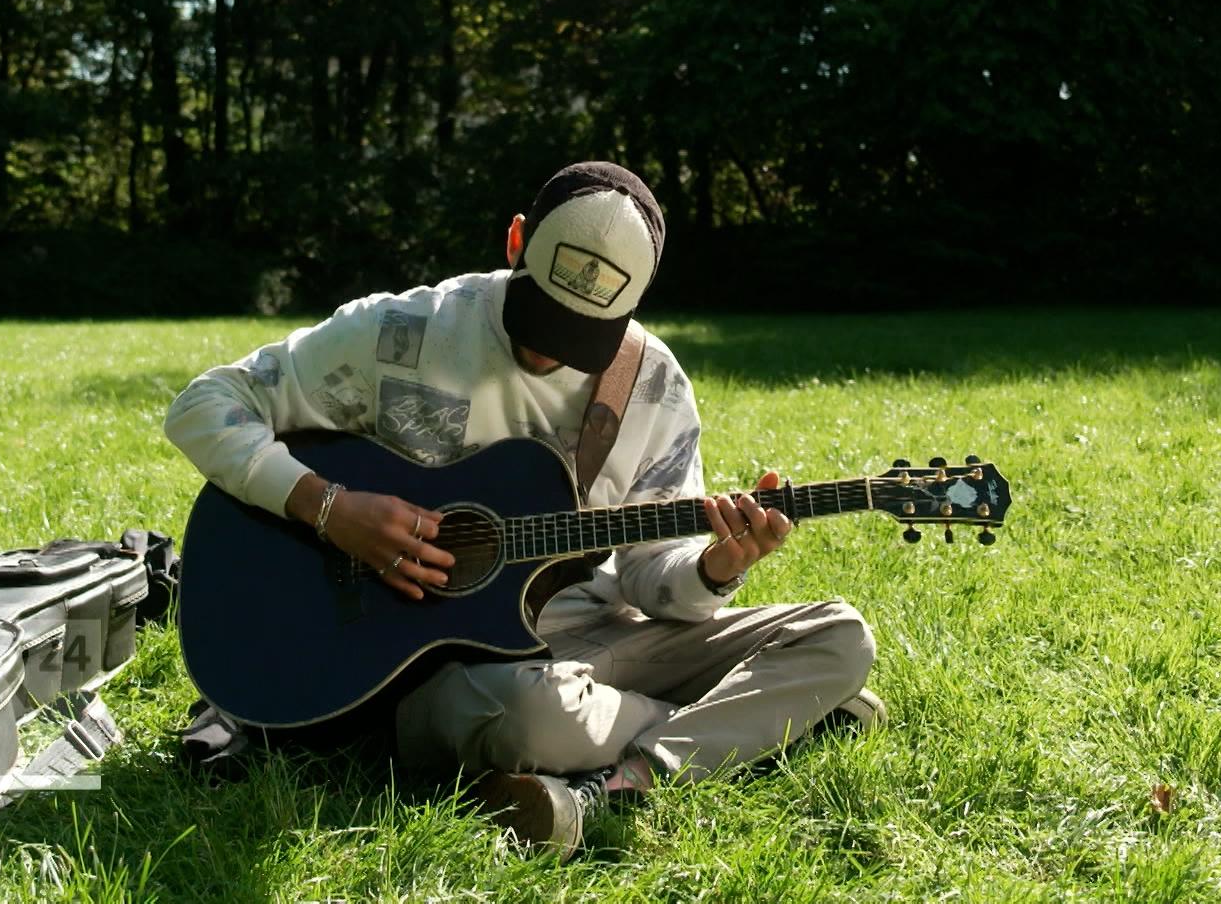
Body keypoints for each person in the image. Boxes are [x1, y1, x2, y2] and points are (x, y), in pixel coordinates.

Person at [163, 161, 880, 858]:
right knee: (533, 715)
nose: (547, 352)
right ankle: (768, 724)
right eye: (540, 317)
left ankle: (643, 768)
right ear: (515, 243)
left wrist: (717, 567)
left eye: (581, 337)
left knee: (841, 636)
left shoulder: (651, 384)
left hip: (603, 642)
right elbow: (205, 405)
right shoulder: (400, 332)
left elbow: (651, 583)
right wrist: (329, 507)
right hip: (449, 674)